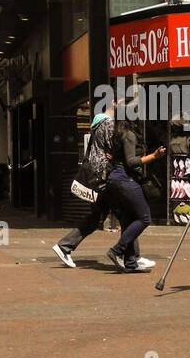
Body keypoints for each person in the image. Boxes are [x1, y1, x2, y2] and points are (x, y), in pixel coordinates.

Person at [53, 106, 160, 271]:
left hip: (100, 176)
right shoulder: (111, 126)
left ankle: (65, 246)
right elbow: (123, 154)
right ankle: (129, 257)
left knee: (98, 217)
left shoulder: (98, 124)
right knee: (127, 215)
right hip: (106, 176)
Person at [104, 110, 163, 273]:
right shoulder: (129, 134)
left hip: (115, 180)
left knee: (129, 220)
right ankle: (117, 250)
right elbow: (131, 162)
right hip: (125, 180)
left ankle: (130, 262)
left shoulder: (117, 134)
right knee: (144, 218)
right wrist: (154, 156)